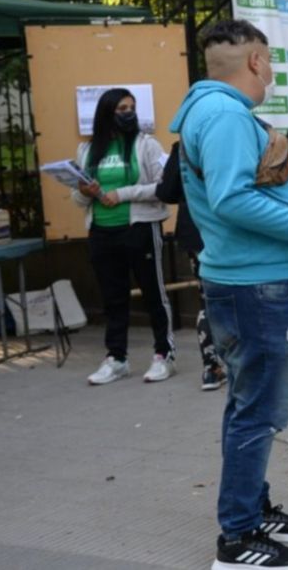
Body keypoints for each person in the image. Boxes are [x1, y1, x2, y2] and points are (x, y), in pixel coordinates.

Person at [171, 19, 288, 570]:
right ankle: (238, 538)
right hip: (256, 285)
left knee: (248, 406)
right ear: (255, 62)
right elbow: (231, 200)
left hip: (252, 282)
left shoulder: (217, 111)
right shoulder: (222, 115)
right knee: (258, 412)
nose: (270, 70)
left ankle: (252, 509)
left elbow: (247, 185)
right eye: (269, 61)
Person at [73, 88, 177, 386]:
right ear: (107, 113)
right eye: (122, 108)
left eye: (131, 107)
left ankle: (164, 355)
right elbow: (78, 198)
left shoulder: (147, 145)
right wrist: (84, 192)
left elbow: (163, 187)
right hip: (101, 232)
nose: (128, 113)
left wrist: (122, 194)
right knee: (113, 298)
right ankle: (116, 358)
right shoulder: (88, 150)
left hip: (140, 229)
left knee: (153, 294)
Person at [155, 140, 226, 391]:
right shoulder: (233, 135)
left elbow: (166, 192)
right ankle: (241, 363)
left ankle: (211, 368)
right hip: (230, 228)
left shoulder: (183, 146)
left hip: (196, 230)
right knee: (239, 294)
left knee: (207, 299)